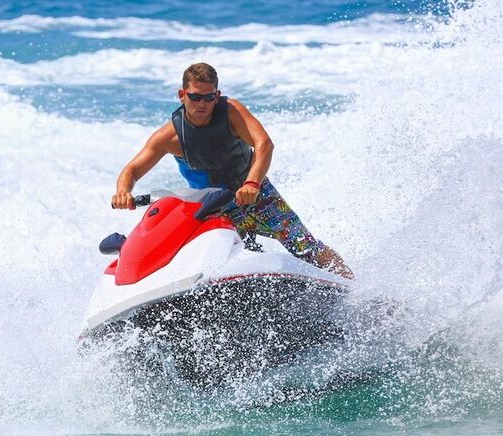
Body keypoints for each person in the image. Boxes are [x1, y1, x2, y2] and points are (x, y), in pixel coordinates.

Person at [111, 62, 353, 280]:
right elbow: (132, 169)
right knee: (213, 262)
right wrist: (123, 191)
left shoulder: (231, 112)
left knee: (305, 247)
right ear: (182, 95)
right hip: (213, 208)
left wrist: (252, 184)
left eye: (208, 97)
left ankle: (352, 288)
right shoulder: (169, 137)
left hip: (257, 196)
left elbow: (264, 144)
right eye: (195, 97)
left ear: (217, 96)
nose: (202, 104)